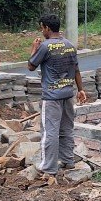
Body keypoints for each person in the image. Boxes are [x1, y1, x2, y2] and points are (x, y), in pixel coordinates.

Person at [28, 13, 87, 176]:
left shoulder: (45, 47)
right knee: (67, 128)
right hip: (68, 94)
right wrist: (80, 89)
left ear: (47, 28)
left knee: (50, 131)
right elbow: (76, 69)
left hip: (52, 96)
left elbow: (31, 66)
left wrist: (34, 48)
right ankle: (68, 160)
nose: (42, 31)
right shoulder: (69, 45)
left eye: (42, 28)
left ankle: (48, 166)